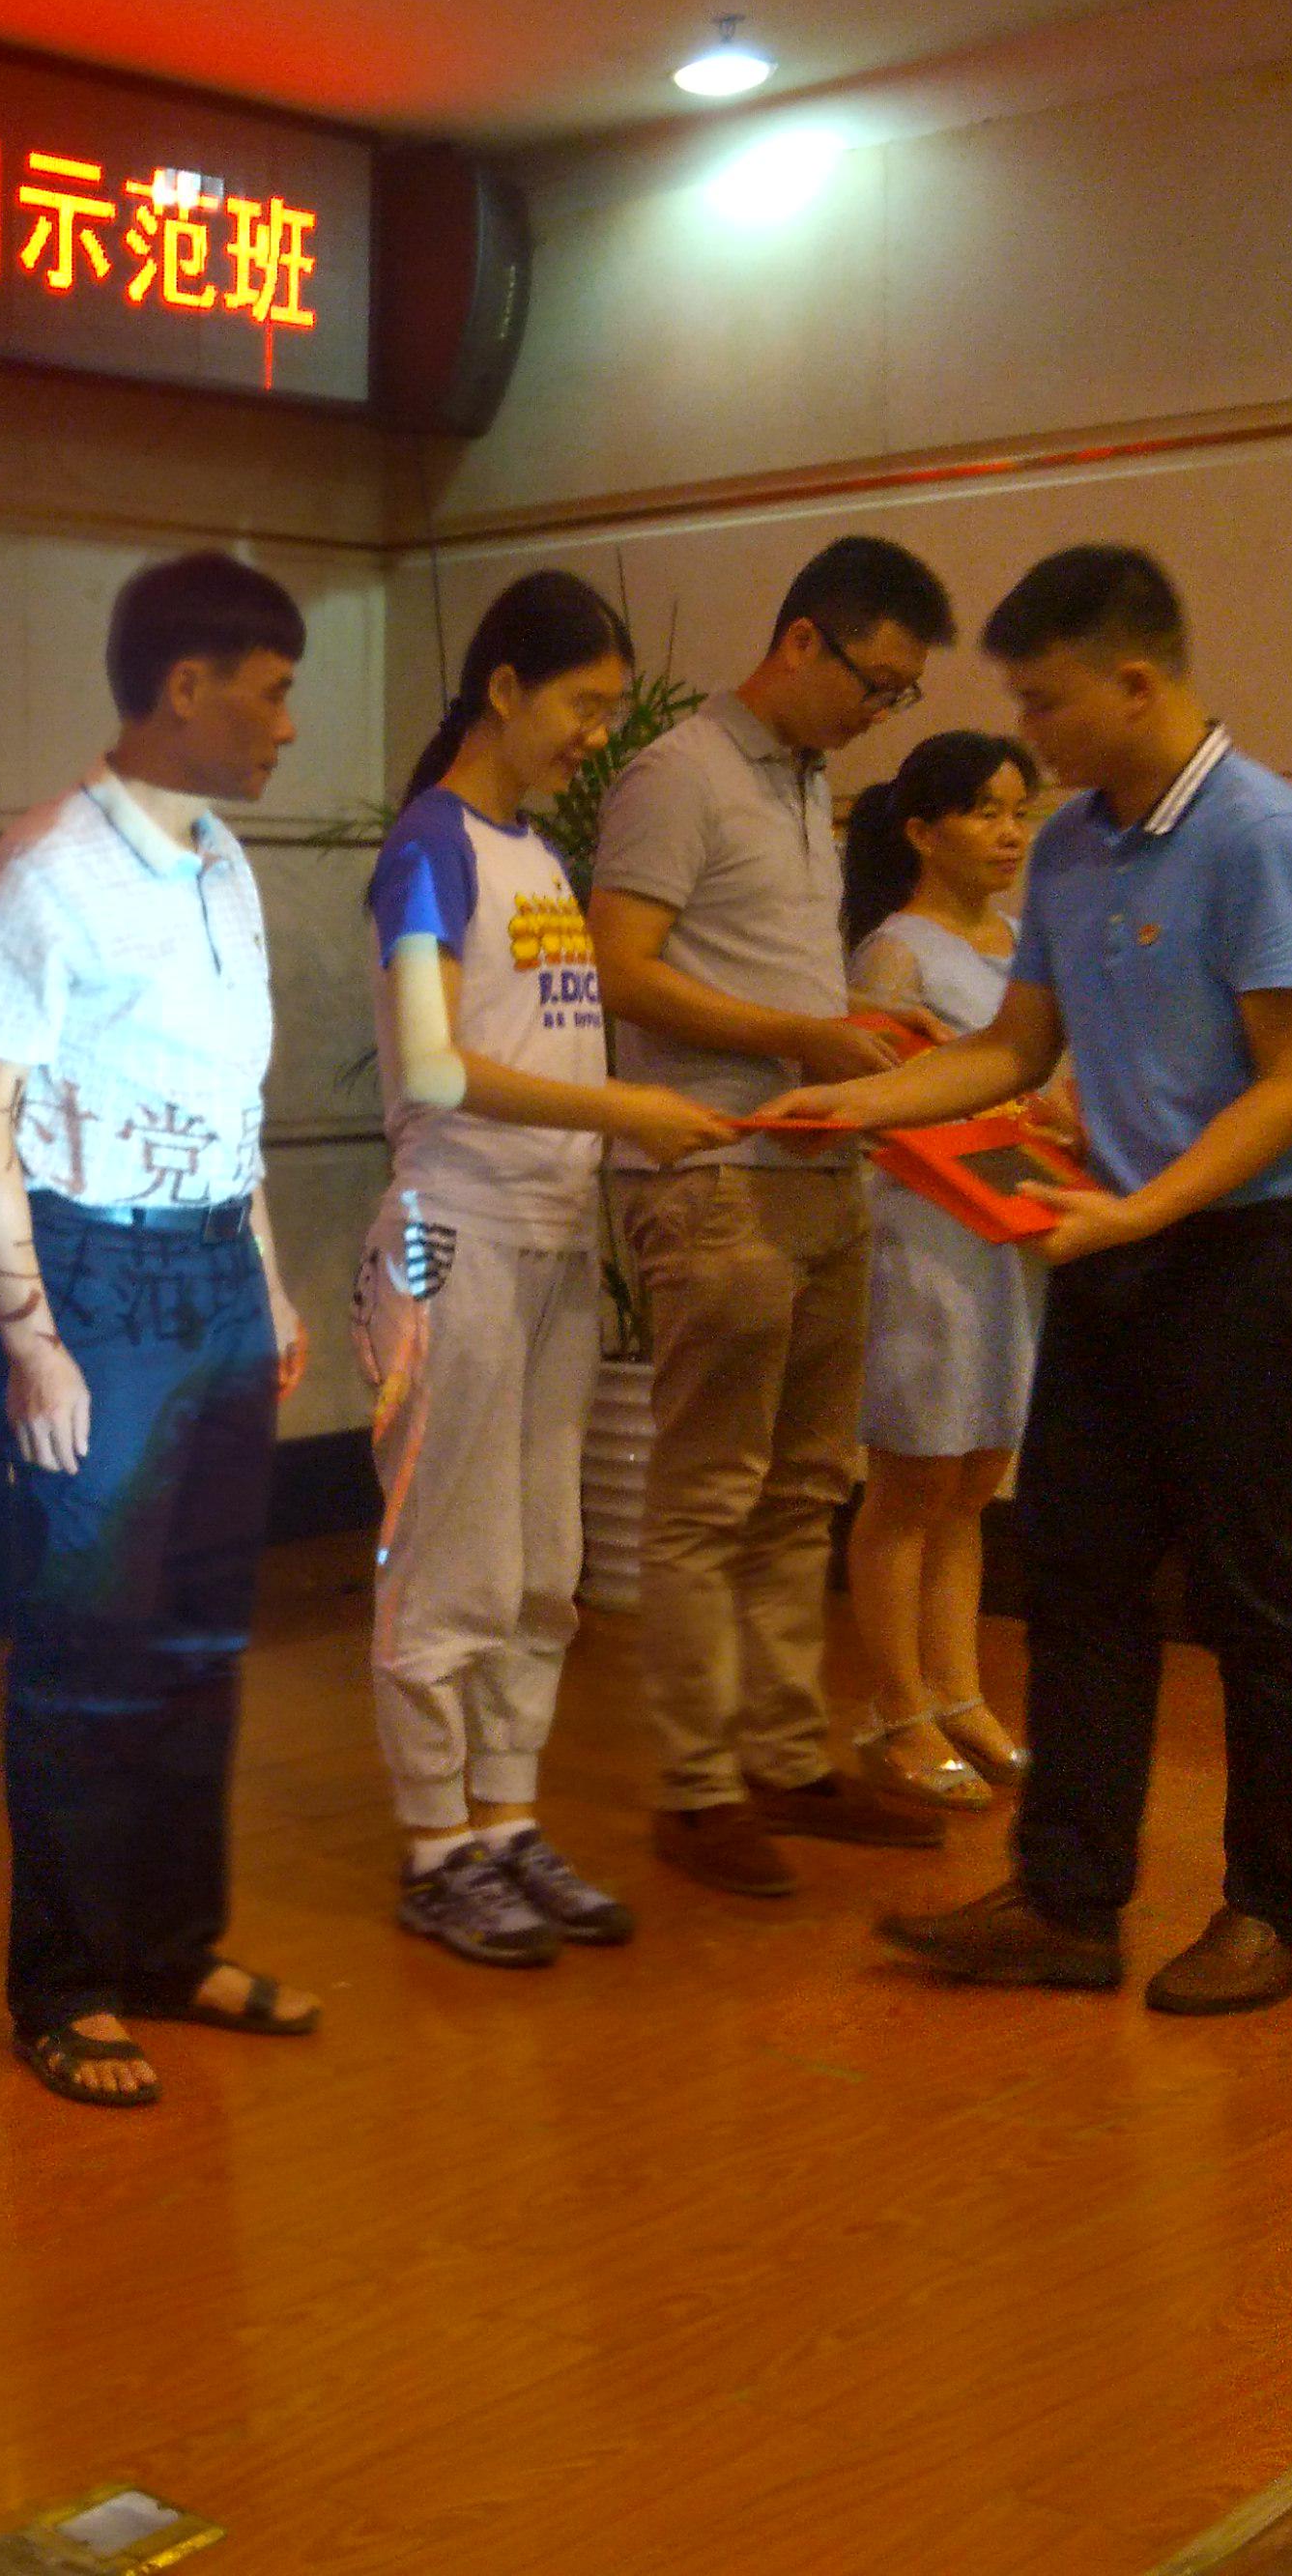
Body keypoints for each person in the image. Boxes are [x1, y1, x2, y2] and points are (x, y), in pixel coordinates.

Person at [771, 544, 1292, 2017]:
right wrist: (858, 1102)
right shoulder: (1078, 850)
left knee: (1259, 1597)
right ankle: (1068, 1899)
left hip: (1264, 1263)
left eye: (1045, 704)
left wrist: (1143, 1209)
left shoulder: (1267, 836)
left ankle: (1281, 1912)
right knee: (1080, 1580)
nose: (1028, 738)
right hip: (1119, 1256)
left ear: (1136, 681)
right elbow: (1012, 1048)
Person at [0, 552, 318, 2110]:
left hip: (215, 1269)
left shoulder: (222, 860)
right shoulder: (43, 872)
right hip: (95, 1281)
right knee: (85, 1643)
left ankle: (173, 1945)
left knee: (201, 1635)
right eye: (273, 693)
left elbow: (224, 1103)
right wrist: (29, 1335)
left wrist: (268, 1277)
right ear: (186, 687)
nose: (286, 725)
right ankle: (67, 1982)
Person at [363, 572, 743, 1967]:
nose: (597, 734)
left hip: (550, 1238)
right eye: (582, 705)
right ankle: (434, 1848)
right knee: (444, 1556)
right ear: (504, 688)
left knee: (539, 1560)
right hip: (450, 1233)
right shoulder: (428, 845)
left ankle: (506, 1822)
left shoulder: (532, 854)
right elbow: (432, 1065)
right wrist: (625, 1108)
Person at [590, 535, 964, 1898]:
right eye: (875, 683)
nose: (880, 714)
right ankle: (698, 1791)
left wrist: (858, 1034)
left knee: (805, 1487)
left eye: (900, 695)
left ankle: (787, 1758)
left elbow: (763, 977)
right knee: (707, 1493)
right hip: (713, 1174)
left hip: (818, 1171)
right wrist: (797, 1038)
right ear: (801, 640)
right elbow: (621, 970)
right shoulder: (677, 772)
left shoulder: (807, 781)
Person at [836, 730, 1055, 1811]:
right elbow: (879, 1113)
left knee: (973, 1478)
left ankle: (957, 1692)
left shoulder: (1020, 942)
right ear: (922, 831)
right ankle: (895, 1706)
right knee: (911, 1478)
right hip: (925, 1231)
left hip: (1011, 1227)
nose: (1009, 833)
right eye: (983, 811)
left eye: (1019, 810)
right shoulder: (894, 951)